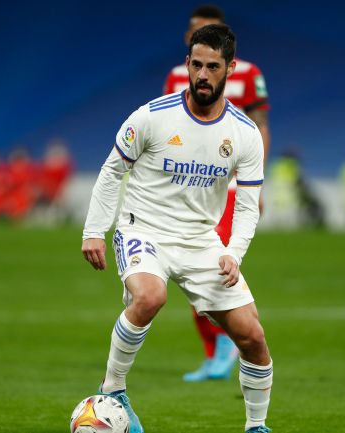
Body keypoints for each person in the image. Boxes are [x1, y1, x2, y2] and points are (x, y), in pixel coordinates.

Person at [82, 25, 272, 433]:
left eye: (213, 67)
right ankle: (113, 389)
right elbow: (112, 172)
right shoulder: (151, 116)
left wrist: (233, 253)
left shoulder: (244, 133)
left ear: (230, 70)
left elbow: (247, 201)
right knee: (150, 297)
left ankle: (256, 427)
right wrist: (94, 230)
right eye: (197, 65)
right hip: (143, 229)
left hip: (201, 241)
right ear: (187, 64)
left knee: (253, 337)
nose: (203, 75)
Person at [163, 4, 271, 382]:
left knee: (211, 266)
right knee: (188, 271)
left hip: (229, 186)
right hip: (188, 189)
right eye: (197, 30)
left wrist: (255, 183)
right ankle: (216, 351)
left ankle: (227, 344)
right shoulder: (177, 76)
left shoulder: (249, 74)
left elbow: (259, 127)